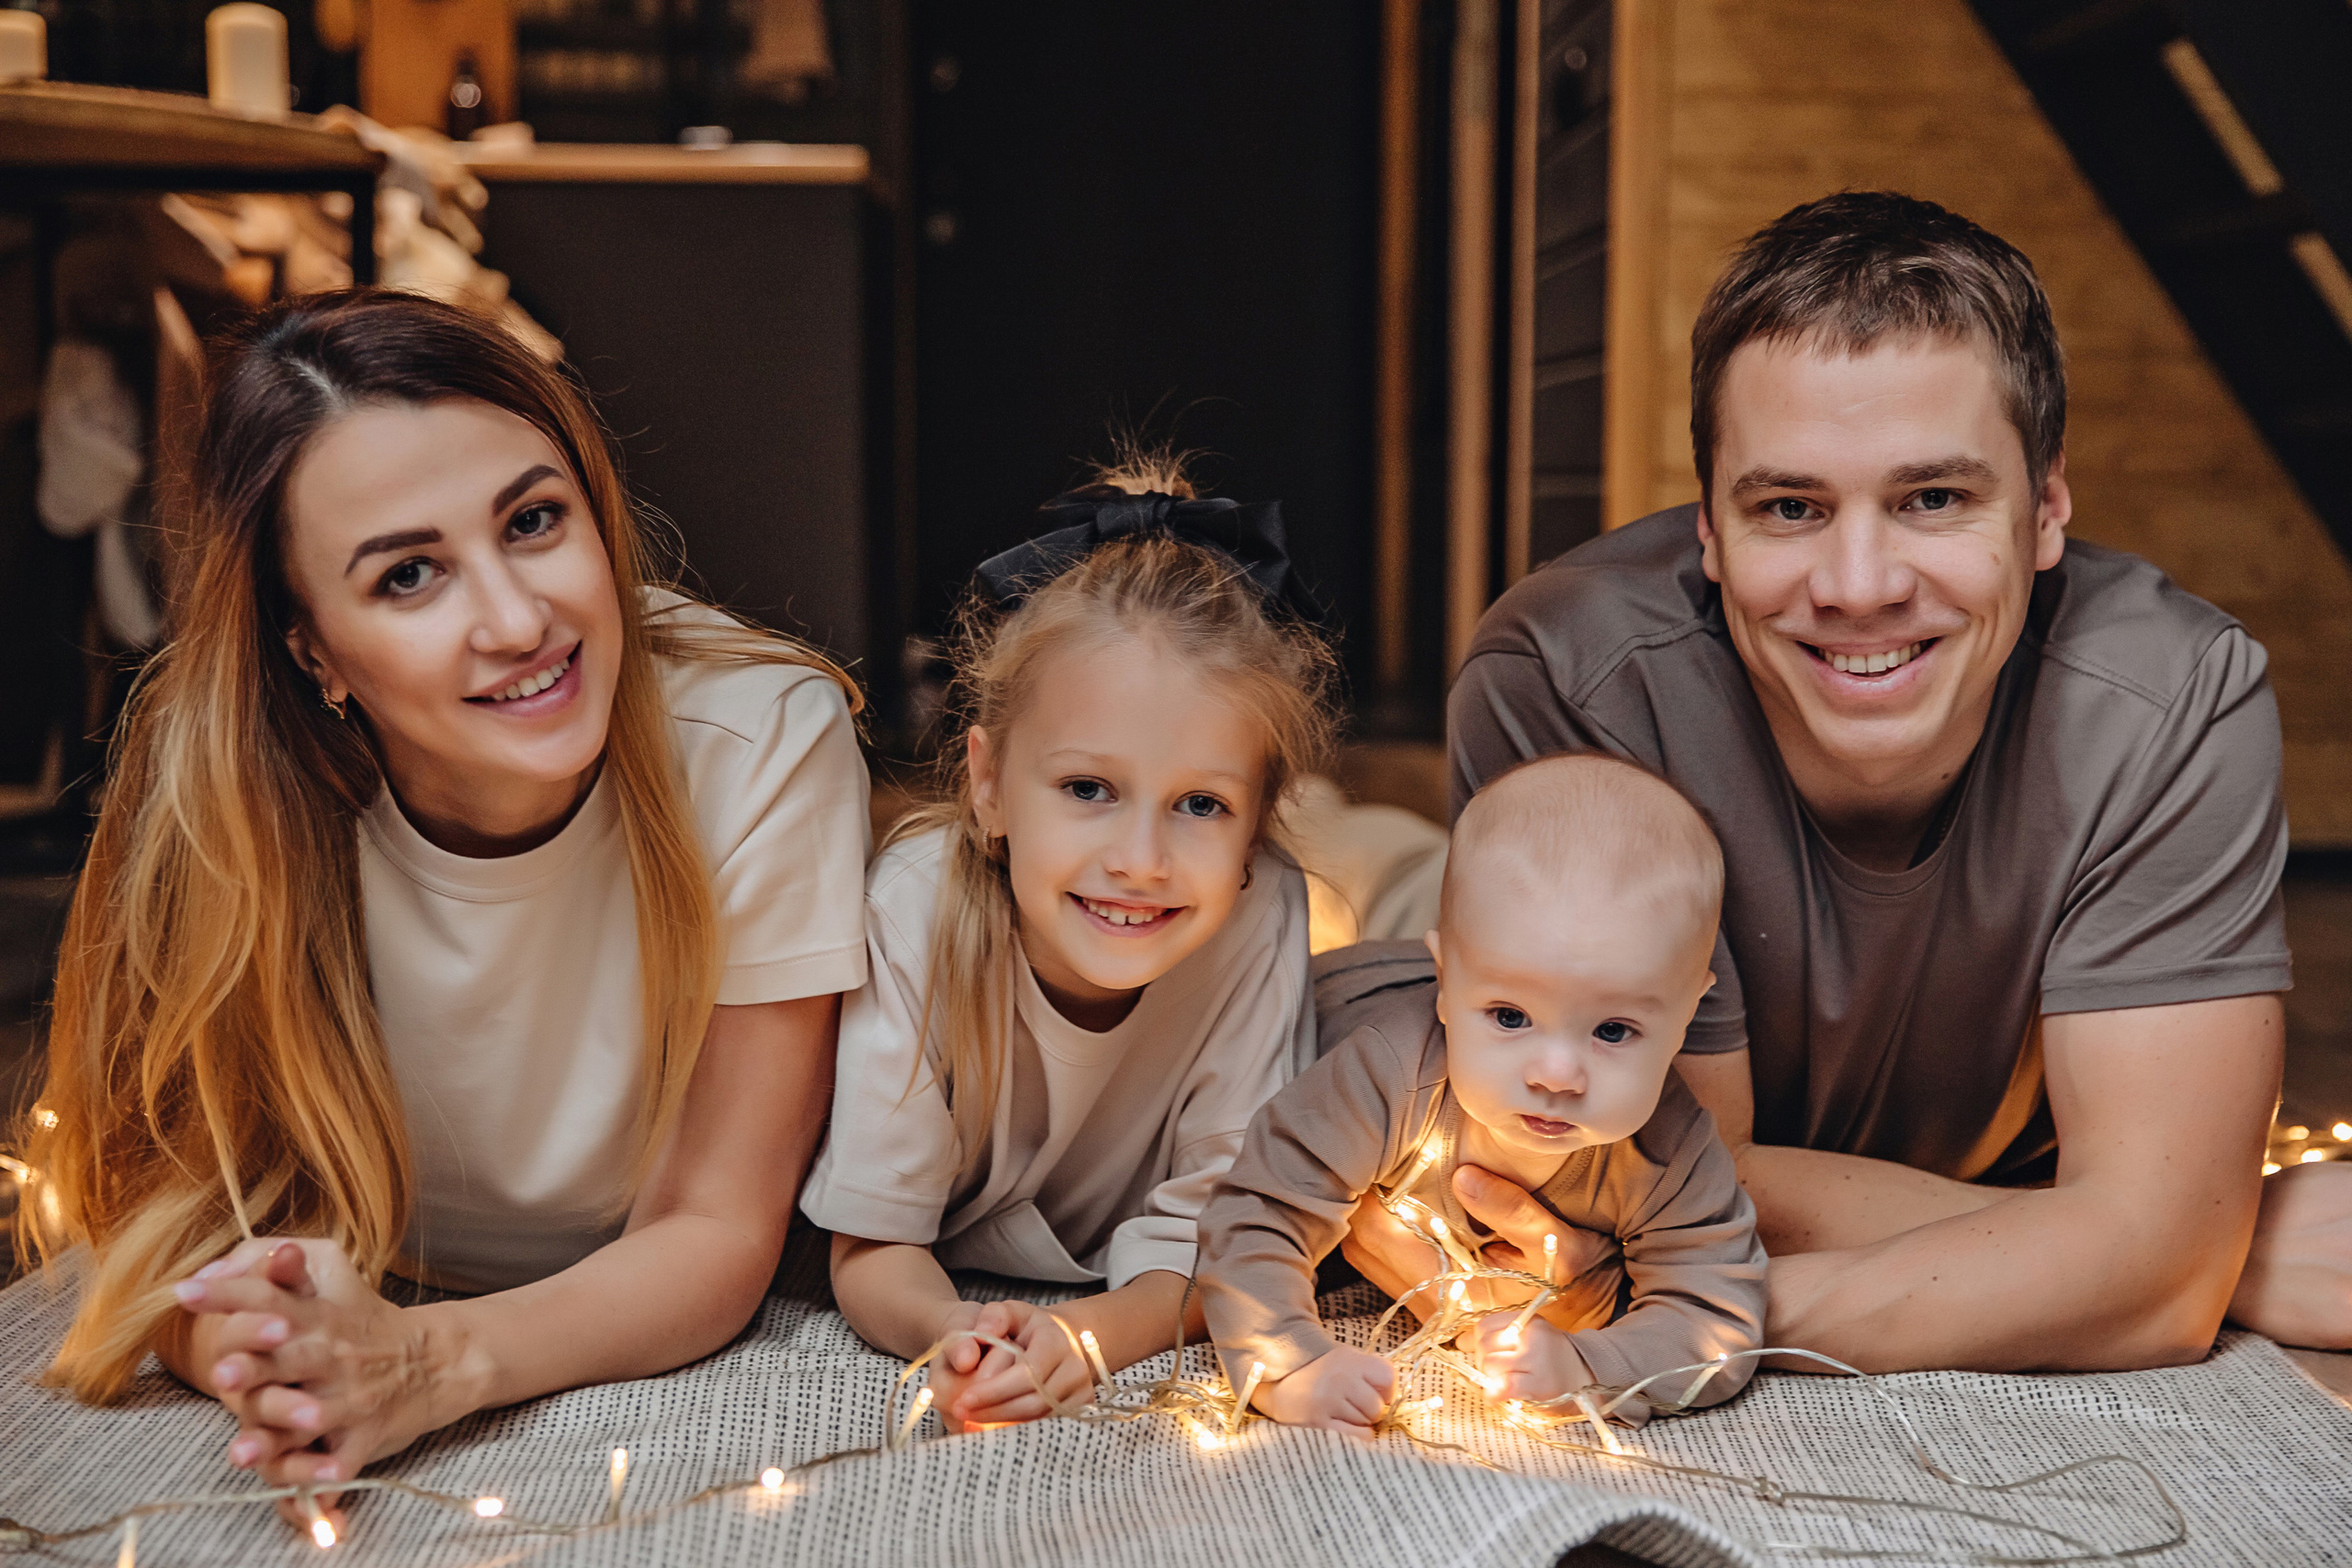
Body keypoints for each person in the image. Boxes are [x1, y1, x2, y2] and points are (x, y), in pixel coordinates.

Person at [1374, 190, 2343, 1371]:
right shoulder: (1572, 679)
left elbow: (2152, 1295)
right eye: (1790, 507)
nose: (1858, 584)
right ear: (1710, 533)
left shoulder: (2172, 697)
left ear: (2044, 510)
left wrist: (1693, 1319)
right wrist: (2128, 1241)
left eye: (1932, 499)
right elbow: (1615, 1185)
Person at [10, 291, 871, 1525]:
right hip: (369, 1274)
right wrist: (268, 1351)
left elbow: (717, 1226)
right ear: (310, 647)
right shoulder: (221, 784)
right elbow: (162, 1218)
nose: (518, 621)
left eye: (534, 520)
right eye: (409, 575)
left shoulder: (760, 736)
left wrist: (427, 1363)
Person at [801, 461, 1338, 1431]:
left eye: (1201, 805)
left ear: (1258, 827)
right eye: (1088, 788)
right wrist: (957, 1335)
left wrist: (1092, 1338)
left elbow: (1224, 1240)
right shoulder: (918, 908)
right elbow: (869, 1249)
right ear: (990, 784)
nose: (1139, 861)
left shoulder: (1264, 917)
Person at [1200, 754, 1765, 1437]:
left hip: (1449, 960)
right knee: (1318, 879)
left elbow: (1716, 1313)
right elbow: (1259, 1207)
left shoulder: (1670, 1149)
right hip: (1344, 985)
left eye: (1613, 1029)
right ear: (1447, 982)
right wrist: (1288, 1362)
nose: (1556, 1074)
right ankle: (1319, 808)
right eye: (1510, 1016)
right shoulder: (1380, 1073)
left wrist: (1592, 1363)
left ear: (1686, 1015)